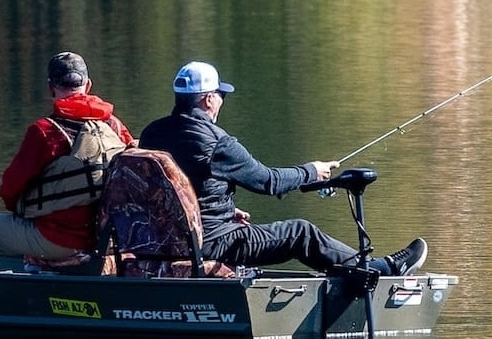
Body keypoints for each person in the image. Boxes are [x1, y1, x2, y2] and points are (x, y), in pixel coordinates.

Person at [138, 61, 427, 276]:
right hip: (212, 242)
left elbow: (175, 189)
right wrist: (311, 172)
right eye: (220, 95)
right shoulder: (216, 143)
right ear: (208, 99)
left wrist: (224, 209)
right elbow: (268, 181)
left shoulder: (151, 134)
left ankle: (359, 271)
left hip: (162, 241)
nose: (222, 101)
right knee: (301, 233)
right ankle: (379, 269)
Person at [0, 52, 134, 270]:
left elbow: (9, 191)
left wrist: (28, 209)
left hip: (57, 240)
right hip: (108, 240)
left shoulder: (45, 131)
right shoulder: (114, 126)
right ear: (88, 85)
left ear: (51, 88)